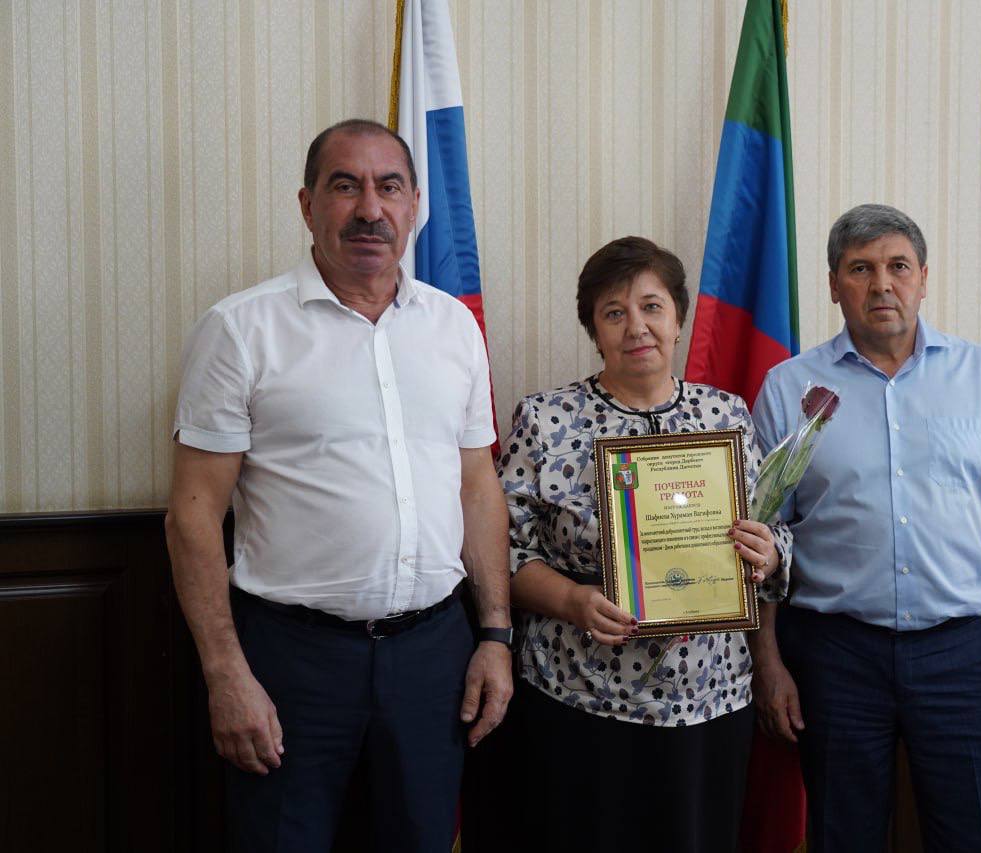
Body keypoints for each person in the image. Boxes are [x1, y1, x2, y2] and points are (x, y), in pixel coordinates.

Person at [164, 118, 513, 853]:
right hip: (292, 661)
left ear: (414, 204)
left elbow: (477, 487)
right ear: (307, 204)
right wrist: (225, 673)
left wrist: (494, 636)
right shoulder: (241, 330)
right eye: (345, 186)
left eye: (389, 187)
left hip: (433, 657)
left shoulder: (453, 327)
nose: (369, 208)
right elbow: (193, 515)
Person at [750, 204, 981, 852]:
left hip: (960, 656)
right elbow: (762, 538)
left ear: (924, 278)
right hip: (834, 657)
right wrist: (769, 661)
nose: (881, 284)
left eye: (898, 266)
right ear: (833, 284)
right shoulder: (787, 388)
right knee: (843, 837)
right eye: (860, 269)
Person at [495, 237, 792, 853]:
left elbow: (774, 530)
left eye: (652, 307)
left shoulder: (727, 416)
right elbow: (505, 554)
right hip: (582, 696)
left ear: (679, 319)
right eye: (614, 312)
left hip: (711, 700)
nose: (636, 327)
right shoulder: (546, 420)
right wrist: (573, 600)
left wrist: (768, 553)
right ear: (594, 329)